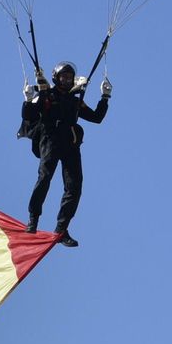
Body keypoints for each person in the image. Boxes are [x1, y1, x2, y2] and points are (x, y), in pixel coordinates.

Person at [17, 60, 111, 247]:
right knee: (45, 178)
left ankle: (61, 229)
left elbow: (96, 118)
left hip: (70, 143)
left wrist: (105, 97)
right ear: (56, 78)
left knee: (74, 186)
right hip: (50, 139)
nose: (67, 80)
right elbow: (28, 116)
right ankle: (33, 220)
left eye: (70, 77)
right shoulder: (46, 95)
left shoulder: (75, 101)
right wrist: (27, 100)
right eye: (64, 77)